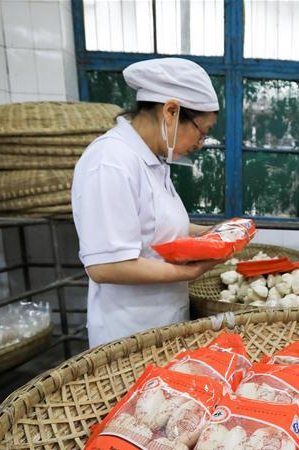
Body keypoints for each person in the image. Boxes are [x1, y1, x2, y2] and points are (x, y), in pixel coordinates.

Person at [72, 57, 223, 348]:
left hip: (164, 323)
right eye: (201, 132)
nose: (200, 144)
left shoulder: (153, 160)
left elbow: (158, 225)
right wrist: (190, 272)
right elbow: (106, 266)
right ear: (170, 111)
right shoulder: (110, 161)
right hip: (128, 335)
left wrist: (212, 233)